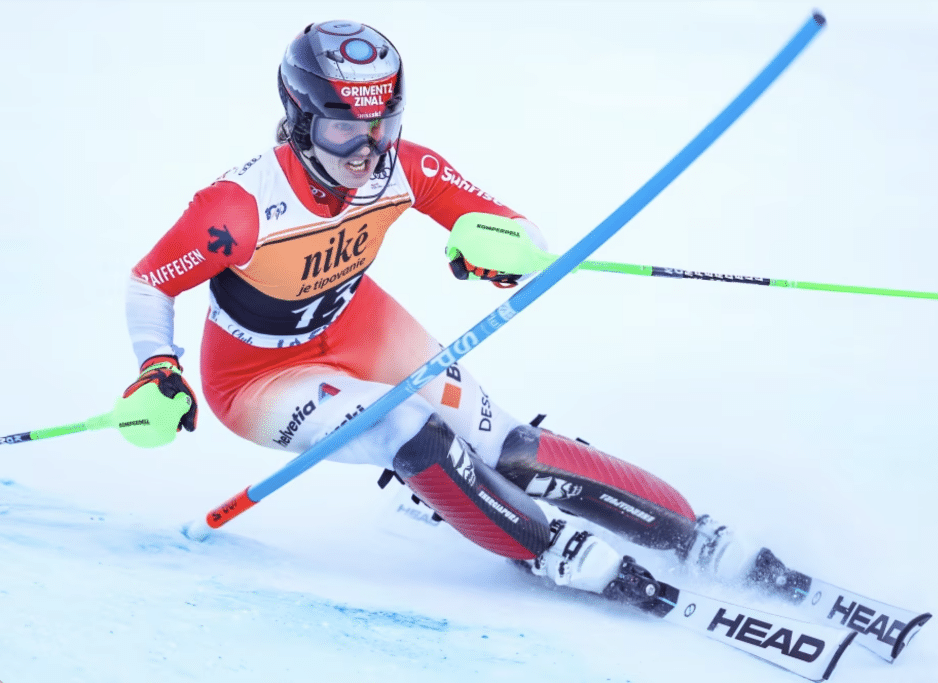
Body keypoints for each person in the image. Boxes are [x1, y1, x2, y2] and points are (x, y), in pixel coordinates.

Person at [121, 20, 807, 612]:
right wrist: (158, 368)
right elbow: (151, 282)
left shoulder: (401, 167)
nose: (366, 152)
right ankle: (543, 547)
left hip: (357, 324)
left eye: (383, 126)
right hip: (258, 374)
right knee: (409, 428)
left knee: (508, 446)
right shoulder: (239, 207)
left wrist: (496, 244)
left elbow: (506, 225)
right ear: (300, 118)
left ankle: (692, 535)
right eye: (342, 129)